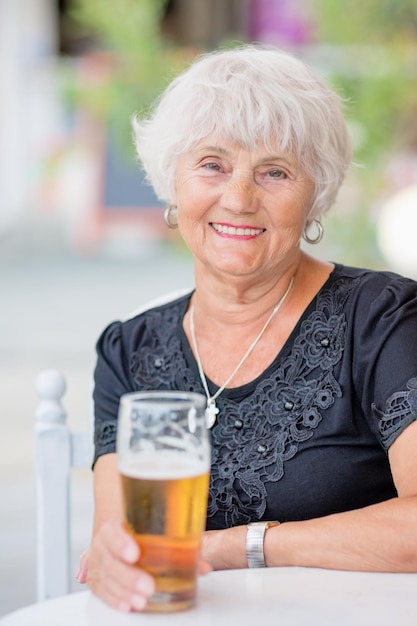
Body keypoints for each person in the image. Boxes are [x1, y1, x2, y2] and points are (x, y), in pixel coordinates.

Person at [76, 44, 417, 612]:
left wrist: (240, 547)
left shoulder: (382, 318)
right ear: (173, 183)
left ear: (315, 197)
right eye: (212, 164)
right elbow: (120, 548)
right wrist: (113, 565)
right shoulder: (129, 351)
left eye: (275, 172)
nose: (238, 198)